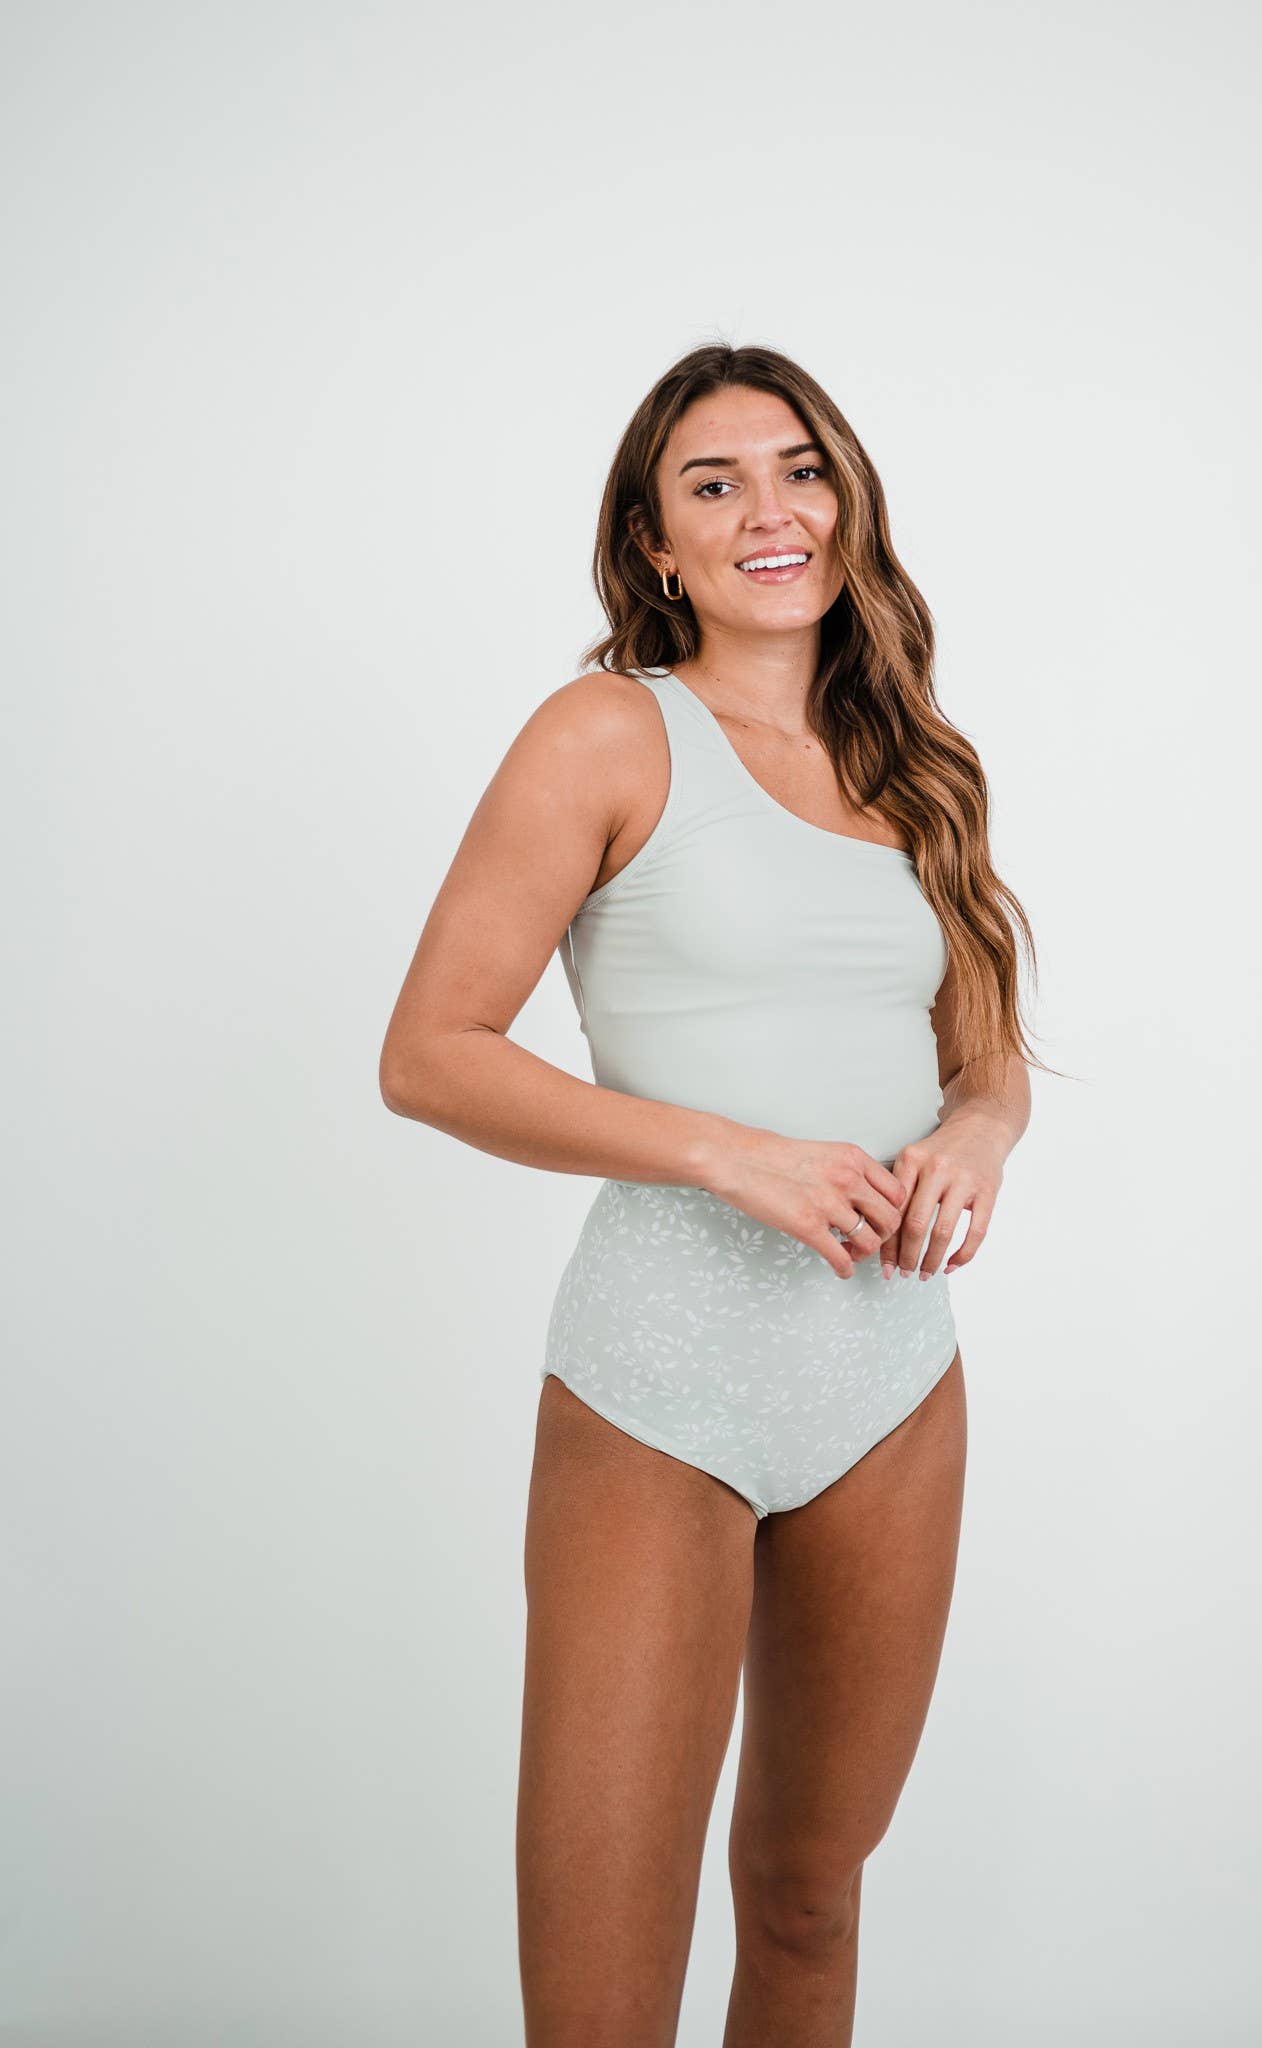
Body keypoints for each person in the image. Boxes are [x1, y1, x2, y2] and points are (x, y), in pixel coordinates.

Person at [379, 342, 1041, 2046]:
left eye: (801, 468)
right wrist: (725, 1150)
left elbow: (984, 1058)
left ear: (848, 501)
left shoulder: (918, 767)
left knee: (810, 1903)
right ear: (653, 541)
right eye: (714, 482)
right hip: (660, 1376)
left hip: (893, 1376)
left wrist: (978, 1134)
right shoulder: (606, 732)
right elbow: (431, 1053)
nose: (771, 511)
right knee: (603, 1998)